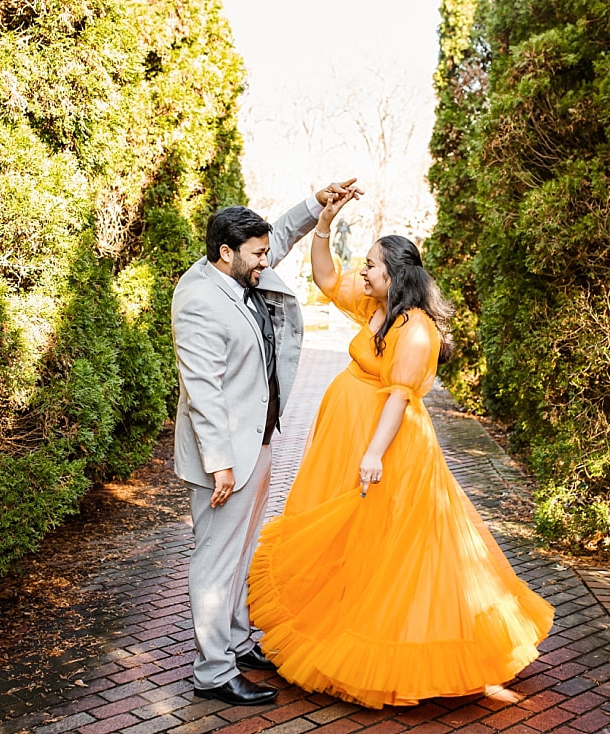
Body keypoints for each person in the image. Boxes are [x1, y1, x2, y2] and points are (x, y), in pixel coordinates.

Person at [247, 189, 555, 709]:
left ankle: (378, 643)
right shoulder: (374, 304)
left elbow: (398, 397)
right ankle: (333, 616)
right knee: (344, 533)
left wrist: (373, 453)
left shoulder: (415, 330)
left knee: (387, 543)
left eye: (371, 264)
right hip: (345, 438)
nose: (362, 271)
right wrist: (323, 224)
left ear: (396, 274)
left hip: (388, 444)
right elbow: (325, 278)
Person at [171, 179, 363, 707]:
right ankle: (212, 673)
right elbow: (203, 391)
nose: (266, 260)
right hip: (226, 457)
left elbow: (278, 234)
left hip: (257, 440)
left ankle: (234, 641)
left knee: (240, 550)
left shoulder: (237, 269)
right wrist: (220, 465)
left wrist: (316, 205)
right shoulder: (198, 301)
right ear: (226, 252)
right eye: (257, 254)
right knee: (215, 559)